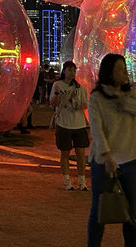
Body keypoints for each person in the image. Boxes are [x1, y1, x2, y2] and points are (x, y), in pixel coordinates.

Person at [87, 53, 136, 247]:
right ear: (109, 72)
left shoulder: (130, 93)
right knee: (99, 210)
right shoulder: (97, 98)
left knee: (132, 213)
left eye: (124, 68)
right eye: (119, 69)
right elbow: (97, 128)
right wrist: (107, 157)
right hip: (105, 161)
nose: (124, 73)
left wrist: (120, 97)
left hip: (131, 158)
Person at [50, 60, 89, 191]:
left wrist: (76, 102)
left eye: (74, 70)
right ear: (64, 71)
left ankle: (82, 181)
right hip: (64, 123)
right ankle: (67, 181)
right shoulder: (57, 85)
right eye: (69, 70)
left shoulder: (80, 88)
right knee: (65, 153)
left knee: (81, 153)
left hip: (79, 124)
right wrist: (58, 95)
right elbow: (53, 103)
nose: (72, 73)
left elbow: (85, 104)